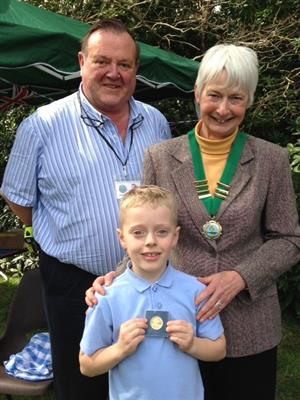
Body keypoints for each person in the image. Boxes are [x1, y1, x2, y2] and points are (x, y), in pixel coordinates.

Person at [87, 44, 300, 400]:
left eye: (236, 98)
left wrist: (240, 277)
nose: (222, 108)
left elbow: (289, 238)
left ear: (248, 101)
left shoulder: (271, 160)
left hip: (251, 324)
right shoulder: (161, 156)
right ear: (198, 93)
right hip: (177, 325)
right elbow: (147, 225)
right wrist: (114, 278)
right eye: (214, 95)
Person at [0, 20, 171, 400]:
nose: (114, 72)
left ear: (135, 70)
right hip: (72, 283)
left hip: (145, 278)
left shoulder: (156, 122)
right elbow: (17, 196)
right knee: (81, 382)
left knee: (145, 374)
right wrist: (63, 232)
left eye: (124, 64)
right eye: (102, 61)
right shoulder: (42, 125)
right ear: (82, 62)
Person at [79, 185, 226, 400]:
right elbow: (87, 365)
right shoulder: (106, 297)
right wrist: (120, 348)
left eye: (162, 231)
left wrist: (193, 344)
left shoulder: (196, 290)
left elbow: (219, 349)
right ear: (122, 238)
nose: (150, 241)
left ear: (175, 236)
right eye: (138, 232)